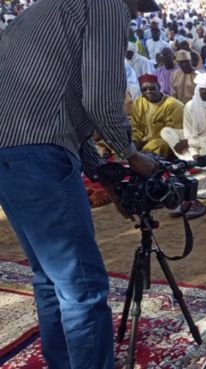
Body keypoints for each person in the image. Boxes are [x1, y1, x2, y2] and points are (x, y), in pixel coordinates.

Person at [0, 0, 161, 366]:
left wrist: (103, 172)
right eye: (137, 11)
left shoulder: (44, 8)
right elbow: (101, 100)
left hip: (10, 152)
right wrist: (132, 156)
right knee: (82, 287)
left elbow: (61, 106)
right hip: (42, 154)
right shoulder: (106, 4)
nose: (134, 17)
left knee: (50, 278)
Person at [161, 72, 206, 162]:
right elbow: (188, 133)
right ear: (198, 90)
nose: (205, 92)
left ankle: (197, 160)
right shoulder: (190, 106)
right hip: (194, 141)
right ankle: (192, 159)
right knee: (166, 131)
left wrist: (188, 143)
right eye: (202, 89)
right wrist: (194, 153)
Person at [131, 74, 185, 157]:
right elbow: (135, 126)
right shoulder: (139, 102)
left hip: (164, 140)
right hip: (143, 141)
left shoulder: (174, 105)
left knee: (162, 145)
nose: (148, 91)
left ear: (159, 87)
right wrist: (135, 140)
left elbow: (172, 132)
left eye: (152, 88)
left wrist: (146, 142)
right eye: (144, 90)